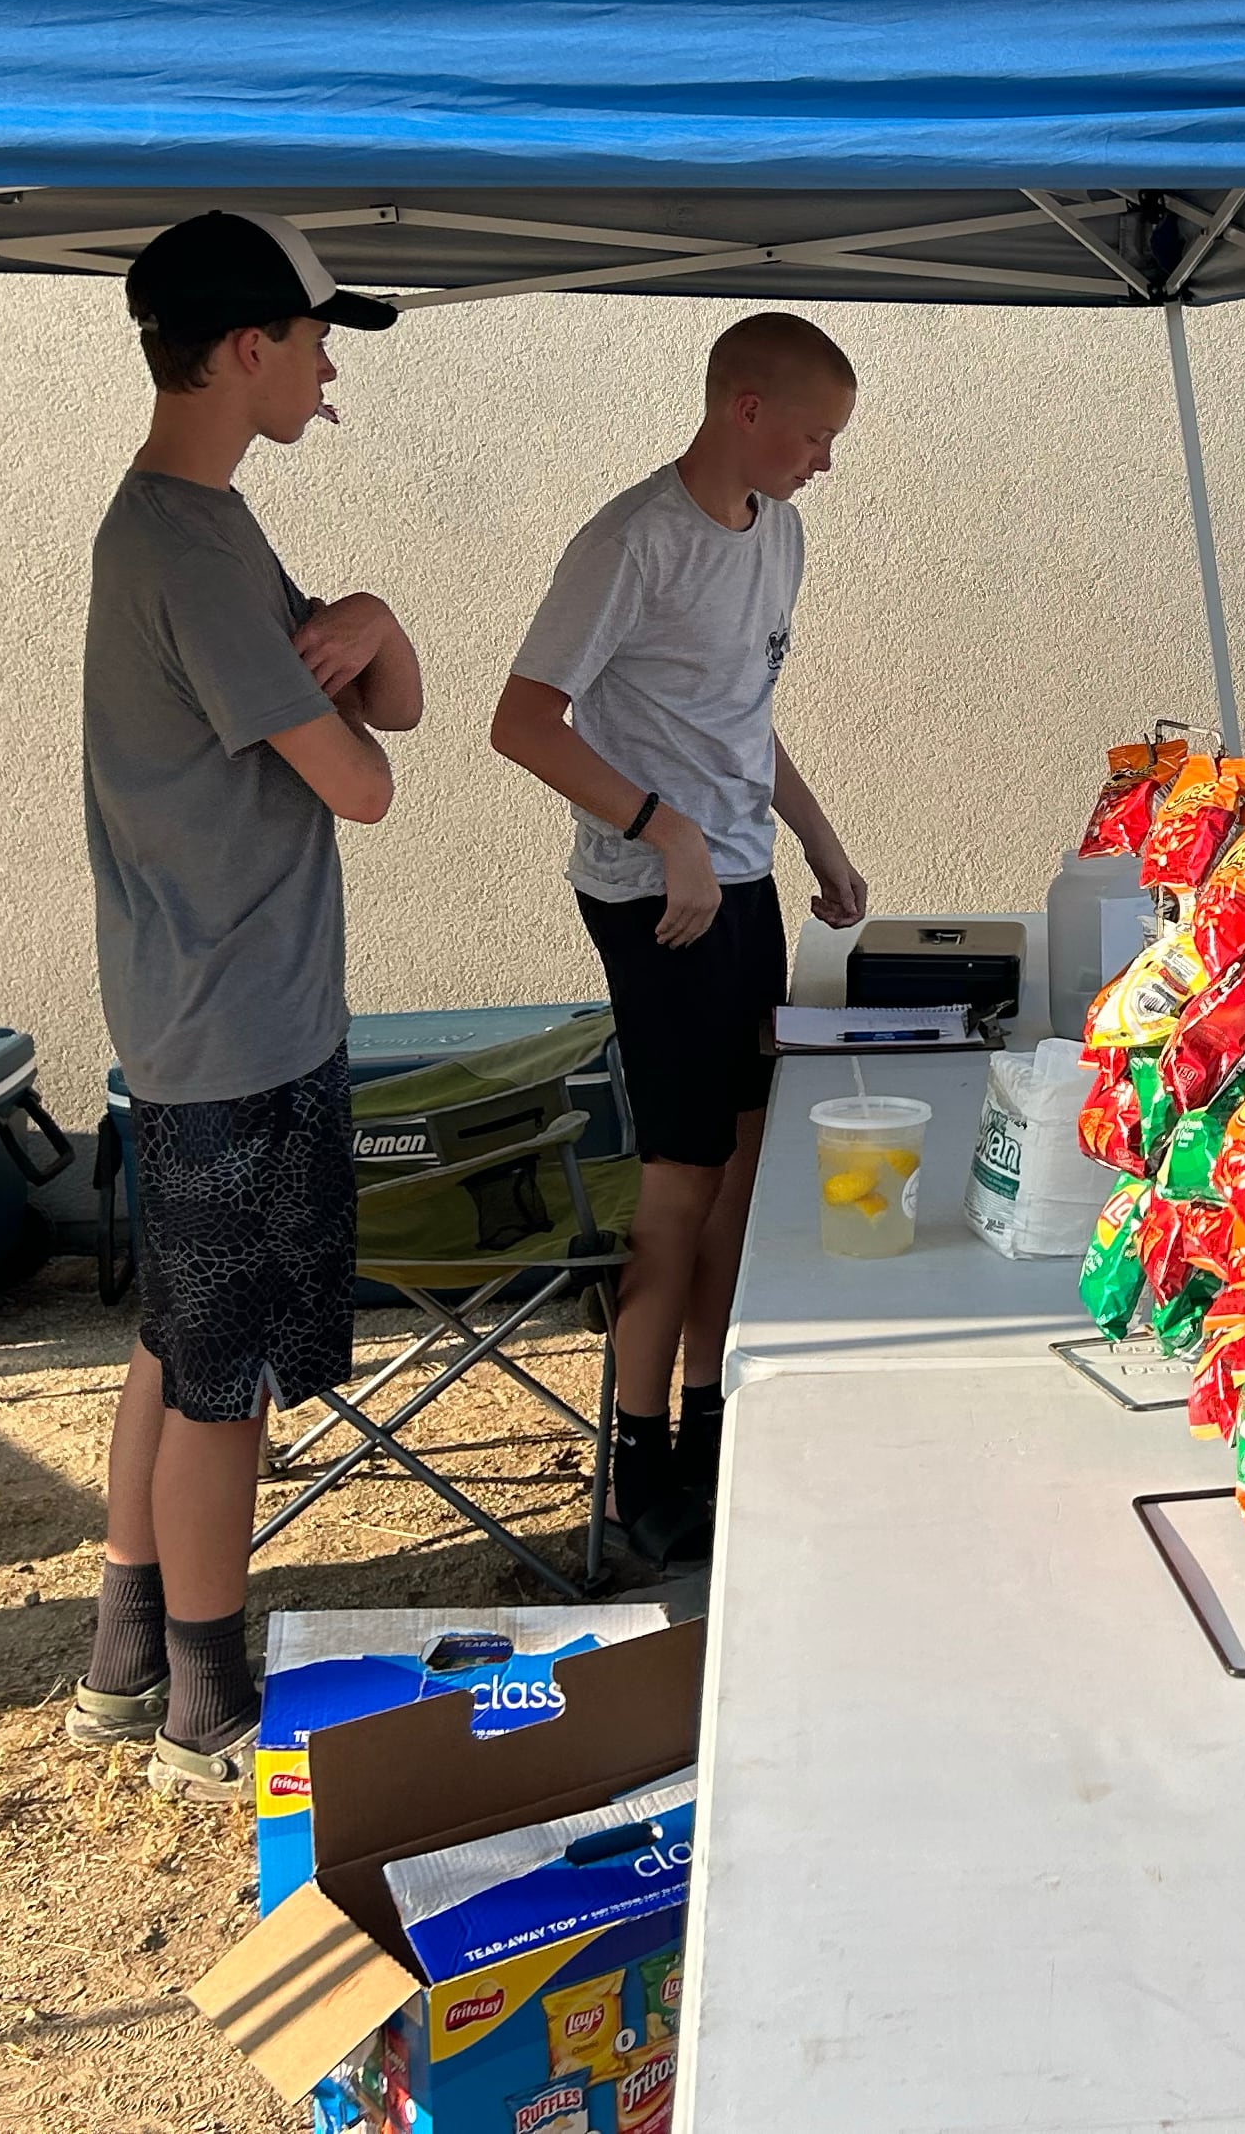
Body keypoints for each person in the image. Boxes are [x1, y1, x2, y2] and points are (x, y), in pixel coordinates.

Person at [69, 212, 422, 1803]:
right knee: (222, 1382)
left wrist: (383, 627)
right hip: (236, 1018)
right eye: (315, 336)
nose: (333, 364)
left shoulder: (204, 526)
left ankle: (125, 1661)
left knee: (172, 1345)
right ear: (242, 351)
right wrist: (363, 667)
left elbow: (386, 701)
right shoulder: (184, 546)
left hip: (213, 1007)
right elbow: (365, 779)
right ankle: (209, 1711)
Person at [491, 314, 870, 1565]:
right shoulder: (632, 541)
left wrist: (816, 838)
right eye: (816, 434)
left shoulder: (782, 533)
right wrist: (667, 834)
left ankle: (711, 1417)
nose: (825, 460)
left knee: (744, 1168)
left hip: (743, 881)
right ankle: (635, 1453)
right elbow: (523, 721)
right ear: (745, 409)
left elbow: (742, 716)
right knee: (679, 1181)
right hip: (657, 898)